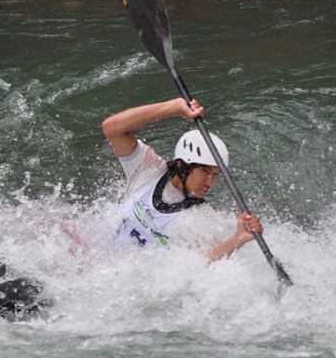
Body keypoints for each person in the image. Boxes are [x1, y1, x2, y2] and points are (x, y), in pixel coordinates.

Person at [101, 97, 263, 262]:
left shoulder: (201, 217)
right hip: (102, 255)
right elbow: (111, 128)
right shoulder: (148, 168)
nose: (210, 182)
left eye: (215, 174)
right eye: (204, 171)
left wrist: (239, 238)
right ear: (182, 165)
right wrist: (174, 108)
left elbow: (205, 261)